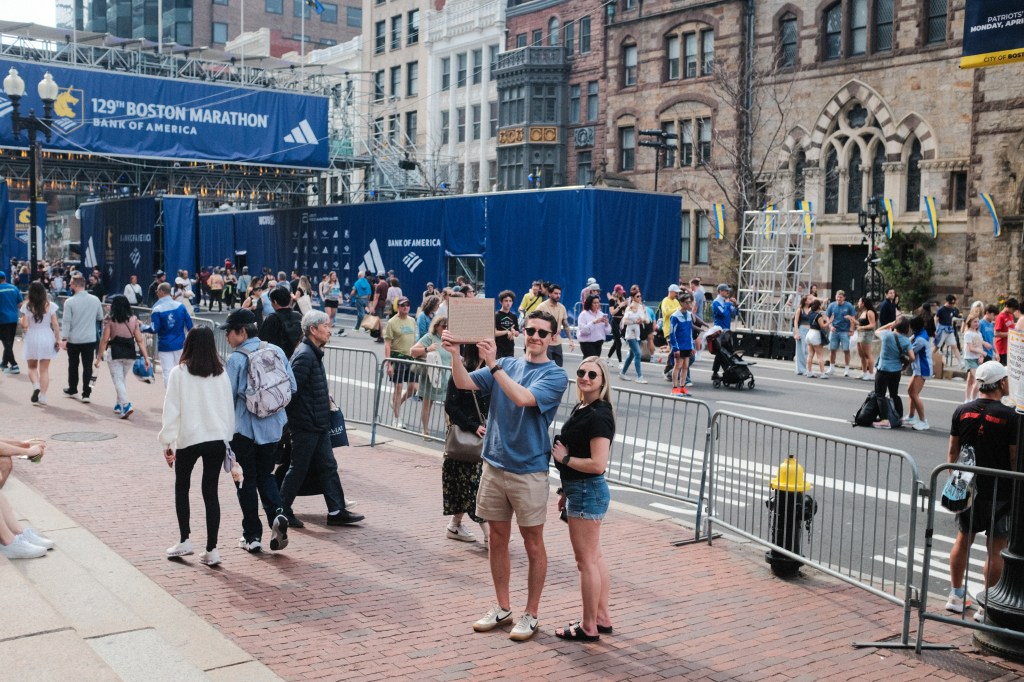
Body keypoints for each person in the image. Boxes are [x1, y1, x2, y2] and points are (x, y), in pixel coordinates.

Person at [441, 309, 568, 641]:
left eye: (542, 332)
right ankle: (502, 607)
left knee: (533, 543)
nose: (535, 336)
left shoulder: (555, 375)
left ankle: (531, 613)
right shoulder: (508, 364)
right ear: (523, 332)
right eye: (531, 330)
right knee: (497, 539)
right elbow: (464, 382)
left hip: (529, 471)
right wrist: (455, 354)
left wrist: (493, 364)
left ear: (553, 338)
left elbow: (523, 398)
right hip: (494, 465)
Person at [945, 361, 1018, 617]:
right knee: (996, 547)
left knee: (963, 538)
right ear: (1001, 383)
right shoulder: (1010, 416)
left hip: (967, 486)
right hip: (1000, 490)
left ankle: (955, 595)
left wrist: (958, 483)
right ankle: (987, 607)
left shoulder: (962, 410)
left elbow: (952, 452)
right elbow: (1013, 458)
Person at [280, 311, 364, 528]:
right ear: (313, 329)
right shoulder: (305, 355)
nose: (329, 330)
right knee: (298, 467)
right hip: (307, 425)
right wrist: (303, 417)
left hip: (318, 424)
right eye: (325, 326)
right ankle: (281, 510)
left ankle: (336, 511)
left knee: (328, 466)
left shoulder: (312, 353)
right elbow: (291, 392)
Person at [222, 308, 296, 554]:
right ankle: (277, 514)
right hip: (273, 428)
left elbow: (226, 397)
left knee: (245, 480)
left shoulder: (236, 359)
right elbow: (292, 386)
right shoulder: (276, 351)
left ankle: (252, 536)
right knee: (266, 475)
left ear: (242, 332)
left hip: (244, 430)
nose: (227, 337)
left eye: (229, 332)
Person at [160, 327, 235, 567]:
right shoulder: (221, 373)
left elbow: (171, 410)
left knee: (182, 487)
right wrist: (227, 438)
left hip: (189, 438)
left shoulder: (179, 373)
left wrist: (167, 442)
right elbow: (228, 409)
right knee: (210, 491)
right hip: (216, 438)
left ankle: (185, 539)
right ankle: (212, 549)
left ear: (189, 344)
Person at [552, 356, 614, 642]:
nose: (585, 377)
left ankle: (589, 626)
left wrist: (565, 459)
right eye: (581, 372)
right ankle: (601, 618)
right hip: (579, 489)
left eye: (592, 374)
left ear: (602, 382)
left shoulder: (599, 414)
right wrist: (565, 491)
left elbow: (598, 464)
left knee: (585, 561)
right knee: (594, 557)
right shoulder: (583, 407)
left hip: (588, 490)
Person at [442, 344, 490, 545]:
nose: (489, 347)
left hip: (481, 441)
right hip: (464, 440)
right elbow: (450, 405)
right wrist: (473, 426)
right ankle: (489, 535)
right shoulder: (461, 370)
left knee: (467, 487)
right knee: (474, 487)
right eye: (483, 344)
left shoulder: (489, 372)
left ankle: (454, 525)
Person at [94, 295, 151, 418]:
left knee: (118, 380)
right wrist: (146, 357)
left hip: (114, 352)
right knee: (121, 379)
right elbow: (140, 340)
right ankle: (118, 404)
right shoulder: (134, 319)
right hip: (130, 352)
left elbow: (104, 340)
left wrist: (98, 358)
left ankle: (126, 404)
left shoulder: (110, 320)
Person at [60, 274, 105, 402]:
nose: (69, 285)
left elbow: (66, 322)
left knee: (73, 365)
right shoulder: (95, 300)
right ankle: (86, 393)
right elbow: (100, 317)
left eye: (71, 283)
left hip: (73, 339)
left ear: (75, 285)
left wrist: (64, 338)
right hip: (90, 338)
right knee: (88, 367)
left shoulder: (69, 302)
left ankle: (72, 388)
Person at [144, 282, 194, 388]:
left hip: (165, 345)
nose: (157, 293)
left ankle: (170, 395)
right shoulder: (180, 306)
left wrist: (142, 327)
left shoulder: (157, 309)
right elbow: (190, 326)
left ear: (161, 292)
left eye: (157, 291)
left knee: (167, 372)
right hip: (180, 344)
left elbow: (154, 328)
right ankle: (183, 394)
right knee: (182, 370)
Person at [19, 282, 60, 406]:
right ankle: (43, 396)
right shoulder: (50, 305)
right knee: (44, 370)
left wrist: (22, 320)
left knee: (32, 367)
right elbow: (55, 325)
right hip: (47, 336)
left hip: (32, 337)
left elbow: (24, 325)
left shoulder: (26, 306)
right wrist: (58, 340)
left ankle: (36, 386)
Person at [411, 315, 451, 439]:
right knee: (428, 404)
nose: (446, 328)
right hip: (431, 377)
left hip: (446, 378)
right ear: (437, 326)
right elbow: (412, 351)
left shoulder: (449, 339)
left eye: (448, 326)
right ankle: (425, 431)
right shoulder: (430, 337)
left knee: (449, 407)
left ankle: (450, 432)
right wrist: (427, 349)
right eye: (444, 326)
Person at [384, 297, 419, 429]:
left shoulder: (412, 320)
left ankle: (396, 403)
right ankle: (396, 418)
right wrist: (388, 364)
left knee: (414, 388)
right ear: (398, 307)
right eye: (403, 305)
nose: (406, 307)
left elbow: (414, 341)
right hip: (397, 358)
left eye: (408, 305)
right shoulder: (392, 322)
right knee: (398, 388)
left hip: (410, 358)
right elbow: (387, 344)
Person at [873, 317, 915, 427]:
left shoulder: (886, 335)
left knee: (880, 395)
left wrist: (889, 323)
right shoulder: (906, 340)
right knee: (894, 394)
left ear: (895, 325)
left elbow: (876, 331)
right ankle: (899, 418)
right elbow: (912, 357)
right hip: (896, 370)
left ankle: (885, 420)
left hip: (883, 369)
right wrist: (905, 366)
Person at [903, 316, 932, 431]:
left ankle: (924, 421)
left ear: (914, 327)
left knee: (914, 394)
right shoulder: (919, 333)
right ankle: (911, 417)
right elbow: (908, 341)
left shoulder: (920, 339)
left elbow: (909, 351)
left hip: (923, 368)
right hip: (918, 368)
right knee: (910, 392)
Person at [259, 287, 304, 359]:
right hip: (297, 357)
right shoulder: (298, 316)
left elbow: (262, 340)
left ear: (275, 302)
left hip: (278, 359)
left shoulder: (272, 318)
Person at [536, 284, 574, 367]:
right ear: (549, 294)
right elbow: (535, 324)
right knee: (547, 367)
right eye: (556, 293)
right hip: (545, 343)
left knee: (559, 368)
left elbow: (565, 324)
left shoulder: (562, 307)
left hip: (557, 343)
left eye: (559, 294)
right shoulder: (541, 307)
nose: (558, 296)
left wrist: (570, 340)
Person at [669, 292, 697, 395]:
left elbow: (690, 332)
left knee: (685, 366)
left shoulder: (689, 315)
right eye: (687, 302)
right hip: (679, 346)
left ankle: (682, 387)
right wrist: (675, 348)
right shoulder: (675, 316)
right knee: (677, 366)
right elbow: (672, 333)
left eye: (690, 302)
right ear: (681, 303)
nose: (689, 305)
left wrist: (692, 346)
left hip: (687, 345)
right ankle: (674, 388)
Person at [618, 291, 649, 383]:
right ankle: (639, 376)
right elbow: (624, 321)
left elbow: (647, 320)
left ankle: (622, 373)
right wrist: (635, 321)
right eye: (637, 296)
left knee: (631, 355)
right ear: (633, 297)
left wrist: (643, 319)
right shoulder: (629, 307)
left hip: (638, 334)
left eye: (640, 296)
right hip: (630, 334)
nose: (640, 297)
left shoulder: (641, 307)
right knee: (638, 353)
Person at [825, 290, 857, 377]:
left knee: (846, 350)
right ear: (835, 296)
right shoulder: (831, 305)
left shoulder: (849, 306)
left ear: (844, 298)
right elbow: (827, 317)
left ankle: (846, 369)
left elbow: (853, 318)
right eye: (837, 297)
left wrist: (851, 329)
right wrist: (830, 326)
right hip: (834, 330)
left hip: (845, 331)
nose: (839, 299)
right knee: (832, 349)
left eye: (841, 297)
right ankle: (831, 367)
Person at [711, 284, 738, 382]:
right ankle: (721, 372)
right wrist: (727, 304)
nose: (728, 292)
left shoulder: (726, 302)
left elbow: (735, 313)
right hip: (719, 331)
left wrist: (735, 305)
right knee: (721, 352)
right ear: (720, 291)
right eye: (726, 291)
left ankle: (719, 372)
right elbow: (722, 314)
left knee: (723, 353)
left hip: (727, 331)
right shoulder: (716, 302)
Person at [0, 271, 24, 375]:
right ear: (4, 278)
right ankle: (4, 363)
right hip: (13, 318)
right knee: (9, 342)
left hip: (2, 319)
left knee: (7, 343)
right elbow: (20, 304)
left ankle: (14, 365)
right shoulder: (14, 288)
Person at [961, 313, 989, 402]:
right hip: (970, 359)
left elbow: (980, 345)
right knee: (978, 380)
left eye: (978, 321)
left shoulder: (979, 333)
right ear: (969, 322)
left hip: (977, 358)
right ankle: (973, 400)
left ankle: (967, 399)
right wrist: (982, 352)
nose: (977, 323)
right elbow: (970, 348)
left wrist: (981, 356)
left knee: (970, 380)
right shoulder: (968, 334)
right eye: (975, 322)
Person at [576, 295, 610, 359]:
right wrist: (594, 322)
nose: (597, 305)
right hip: (587, 342)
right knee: (591, 359)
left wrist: (606, 324)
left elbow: (608, 331)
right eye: (594, 303)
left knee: (595, 361)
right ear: (589, 303)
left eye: (598, 303)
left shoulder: (601, 314)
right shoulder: (583, 314)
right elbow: (583, 331)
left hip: (598, 342)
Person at [934, 294, 962, 365]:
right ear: (946, 301)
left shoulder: (952, 309)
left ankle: (960, 362)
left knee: (954, 346)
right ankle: (931, 357)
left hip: (949, 329)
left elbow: (954, 317)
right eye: (950, 303)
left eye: (953, 303)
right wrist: (936, 329)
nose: (951, 305)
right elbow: (936, 318)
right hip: (942, 329)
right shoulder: (941, 309)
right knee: (937, 346)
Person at [854, 297, 877, 381]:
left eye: (859, 301)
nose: (858, 303)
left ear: (863, 303)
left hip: (866, 334)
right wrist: (852, 320)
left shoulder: (869, 312)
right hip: (860, 333)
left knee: (868, 354)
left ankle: (871, 373)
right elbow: (860, 323)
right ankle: (864, 372)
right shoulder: (863, 312)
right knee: (862, 355)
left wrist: (862, 327)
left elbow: (872, 324)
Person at [793, 294, 814, 377]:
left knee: (808, 350)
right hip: (802, 329)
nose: (810, 300)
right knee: (801, 350)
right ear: (805, 301)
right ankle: (801, 369)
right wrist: (796, 333)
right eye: (809, 299)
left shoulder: (812, 309)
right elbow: (795, 322)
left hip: (810, 330)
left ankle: (807, 369)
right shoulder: (800, 309)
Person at [605, 286, 627, 367]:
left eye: (622, 292)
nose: (622, 294)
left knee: (616, 343)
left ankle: (608, 359)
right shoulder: (612, 300)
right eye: (620, 292)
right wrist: (620, 306)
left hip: (621, 322)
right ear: (617, 292)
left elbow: (624, 311)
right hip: (615, 322)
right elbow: (612, 312)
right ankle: (620, 362)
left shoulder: (623, 299)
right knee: (619, 342)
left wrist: (626, 305)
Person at [993, 298, 1018, 365]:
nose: (1014, 311)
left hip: (1010, 347)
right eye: (1013, 309)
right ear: (1007, 306)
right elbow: (996, 333)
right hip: (1001, 349)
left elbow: (1010, 326)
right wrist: (1011, 333)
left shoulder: (1010, 315)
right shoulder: (1000, 317)